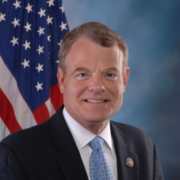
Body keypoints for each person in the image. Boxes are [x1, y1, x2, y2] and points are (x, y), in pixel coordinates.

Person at [0, 22, 164, 180]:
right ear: (62, 80)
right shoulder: (17, 153)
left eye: (109, 75)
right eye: (82, 75)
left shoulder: (144, 147)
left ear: (125, 80)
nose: (97, 87)